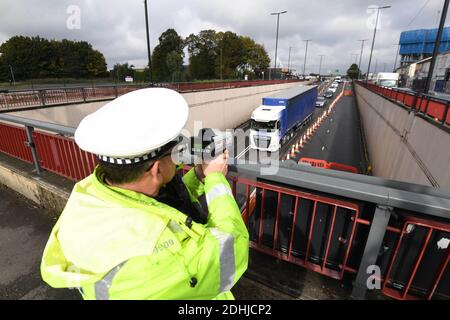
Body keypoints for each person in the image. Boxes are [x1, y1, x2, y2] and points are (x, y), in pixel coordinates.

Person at [40, 88, 249, 300]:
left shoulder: (88, 194)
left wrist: (197, 176)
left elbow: (159, 208)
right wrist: (215, 178)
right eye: (173, 153)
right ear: (156, 169)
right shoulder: (158, 254)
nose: (179, 155)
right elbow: (232, 250)